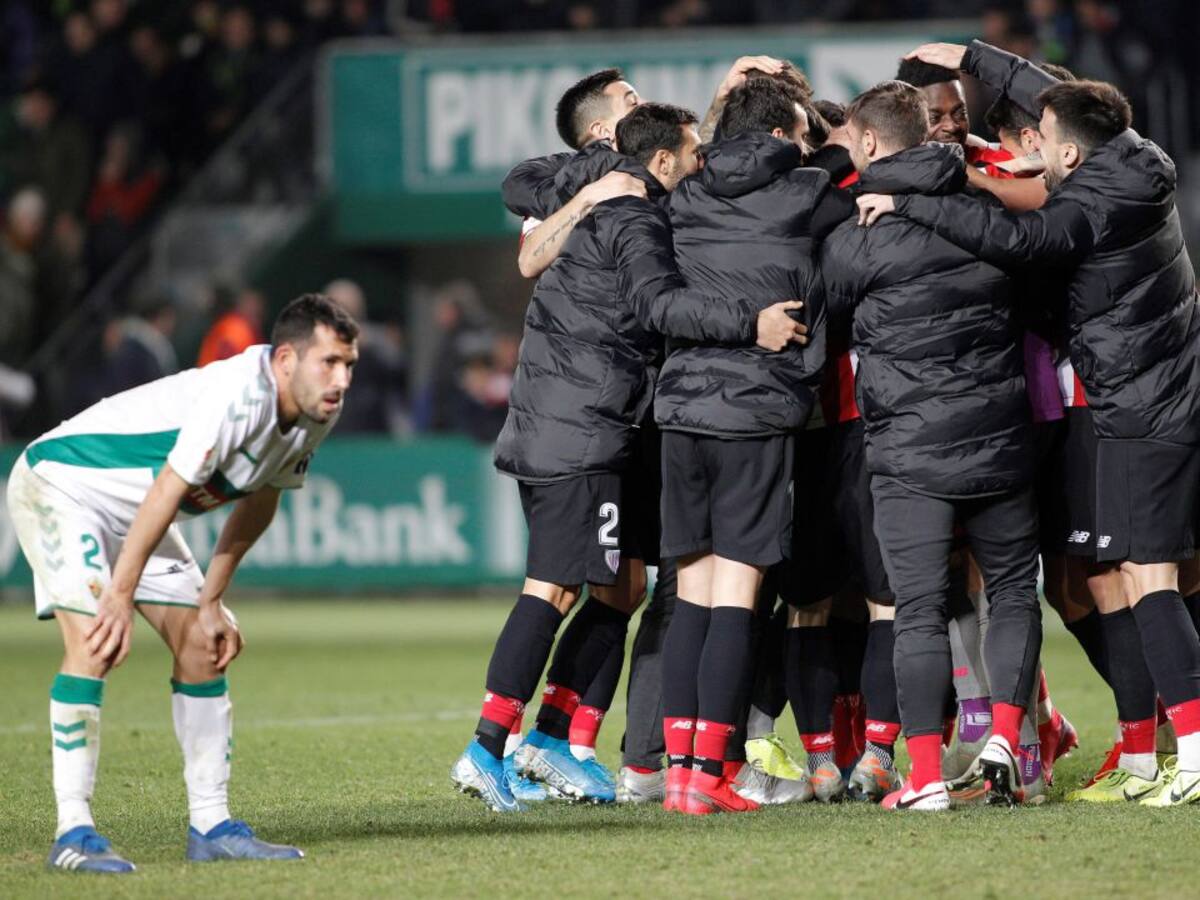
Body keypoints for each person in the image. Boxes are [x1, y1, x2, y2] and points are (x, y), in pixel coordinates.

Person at [860, 39, 1200, 807]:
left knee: (1136, 578)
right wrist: (977, 55)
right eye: (936, 113)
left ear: (1064, 149)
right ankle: (1135, 752)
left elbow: (1025, 239)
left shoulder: (1067, 197)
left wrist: (925, 197)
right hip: (1102, 407)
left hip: (1114, 407)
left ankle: (1175, 748)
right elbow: (1060, 102)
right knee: (1093, 587)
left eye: (957, 110)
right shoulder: (1124, 157)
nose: (950, 125)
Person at [452, 101, 806, 814]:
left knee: (619, 587)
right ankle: (487, 748)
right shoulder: (636, 218)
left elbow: (527, 192)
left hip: (574, 419)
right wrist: (750, 322)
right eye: (693, 150)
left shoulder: (610, 190)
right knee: (550, 588)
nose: (702, 159)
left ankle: (554, 739)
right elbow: (659, 308)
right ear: (665, 161)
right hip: (577, 429)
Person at [6, 295, 359, 872]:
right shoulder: (236, 397)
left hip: (139, 511)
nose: (342, 380)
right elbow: (169, 489)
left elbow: (262, 497)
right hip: (66, 487)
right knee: (96, 640)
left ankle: (211, 826)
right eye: (330, 363)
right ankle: (73, 831)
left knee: (202, 644)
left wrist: (212, 600)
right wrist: (119, 596)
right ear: (287, 359)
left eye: (349, 365)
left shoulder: (314, 411)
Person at [822, 80, 1042, 811]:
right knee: (1012, 593)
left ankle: (923, 779)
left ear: (874, 144)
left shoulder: (859, 231)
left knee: (917, 610)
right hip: (1000, 437)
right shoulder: (981, 203)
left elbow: (831, 310)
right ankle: (1009, 740)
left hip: (910, 453)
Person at [654, 78, 852, 814]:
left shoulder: (685, 194)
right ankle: (711, 775)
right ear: (779, 135)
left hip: (678, 411)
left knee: (692, 593)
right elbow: (845, 168)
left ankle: (680, 774)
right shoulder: (805, 192)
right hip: (755, 411)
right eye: (795, 133)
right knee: (737, 592)